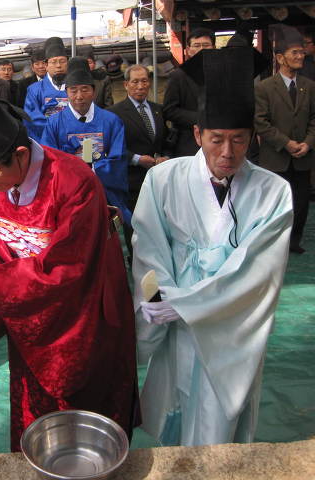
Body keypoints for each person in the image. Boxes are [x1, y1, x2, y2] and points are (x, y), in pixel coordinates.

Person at [0, 81, 140, 451]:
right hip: (29, 315)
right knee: (36, 408)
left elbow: (71, 266)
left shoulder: (73, 181)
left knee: (86, 399)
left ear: (19, 155)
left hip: (82, 313)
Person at [132, 46, 292, 447]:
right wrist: (158, 300)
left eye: (239, 140)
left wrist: (188, 304)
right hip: (174, 320)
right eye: (216, 139)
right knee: (176, 407)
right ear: (197, 134)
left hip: (230, 328)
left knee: (218, 425)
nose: (227, 152)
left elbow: (257, 273)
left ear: (252, 137)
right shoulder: (163, 180)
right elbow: (150, 247)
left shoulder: (274, 192)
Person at [41, 57, 130, 225]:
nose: (79, 96)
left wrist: (93, 170)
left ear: (94, 92)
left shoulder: (111, 121)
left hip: (104, 191)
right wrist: (75, 175)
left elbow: (118, 159)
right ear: (66, 93)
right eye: (73, 90)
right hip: (68, 193)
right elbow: (48, 160)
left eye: (84, 90)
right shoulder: (54, 123)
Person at [255, 27, 315, 255]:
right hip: (275, 157)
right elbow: (260, 122)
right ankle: (275, 242)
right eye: (295, 53)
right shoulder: (264, 88)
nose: (300, 56)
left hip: (302, 157)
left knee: (300, 202)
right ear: (280, 58)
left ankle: (293, 241)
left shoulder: (309, 86)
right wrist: (286, 143)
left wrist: (308, 142)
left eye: (302, 52)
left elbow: (314, 118)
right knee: (275, 202)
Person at [108, 65, 170, 213]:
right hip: (132, 182)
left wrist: (166, 156)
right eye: (135, 82)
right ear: (126, 85)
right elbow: (111, 146)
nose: (140, 86)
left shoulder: (158, 109)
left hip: (159, 179)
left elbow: (167, 138)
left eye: (144, 81)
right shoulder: (114, 113)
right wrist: (137, 159)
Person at [163, 27, 215, 157]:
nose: (201, 49)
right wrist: (201, 118)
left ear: (214, 48)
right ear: (188, 50)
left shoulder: (222, 74)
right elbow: (169, 110)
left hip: (217, 140)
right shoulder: (178, 76)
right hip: (188, 142)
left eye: (206, 45)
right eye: (196, 45)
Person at [24, 37, 69, 142]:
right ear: (46, 65)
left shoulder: (76, 88)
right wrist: (60, 131)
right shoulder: (34, 90)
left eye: (62, 61)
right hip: (47, 142)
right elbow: (32, 119)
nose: (58, 66)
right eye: (54, 62)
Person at [79, 44, 114, 110]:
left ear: (94, 64)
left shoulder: (104, 80)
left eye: (89, 63)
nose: (86, 66)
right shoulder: (74, 81)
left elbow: (109, 105)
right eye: (83, 63)